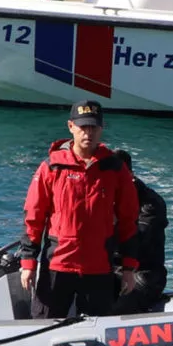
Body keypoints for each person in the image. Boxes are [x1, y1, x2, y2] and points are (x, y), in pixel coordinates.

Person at [21, 101, 144, 318]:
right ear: (71, 127)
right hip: (58, 264)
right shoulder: (52, 166)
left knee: (99, 329)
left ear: (102, 128)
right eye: (83, 127)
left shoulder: (115, 169)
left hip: (98, 267)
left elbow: (128, 219)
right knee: (43, 325)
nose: (88, 133)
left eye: (93, 127)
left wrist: (128, 267)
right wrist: (28, 261)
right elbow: (34, 216)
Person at [112, 172, 168, 315]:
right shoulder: (108, 196)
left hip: (144, 273)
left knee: (117, 309)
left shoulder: (150, 204)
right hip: (113, 269)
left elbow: (139, 241)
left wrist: (112, 226)